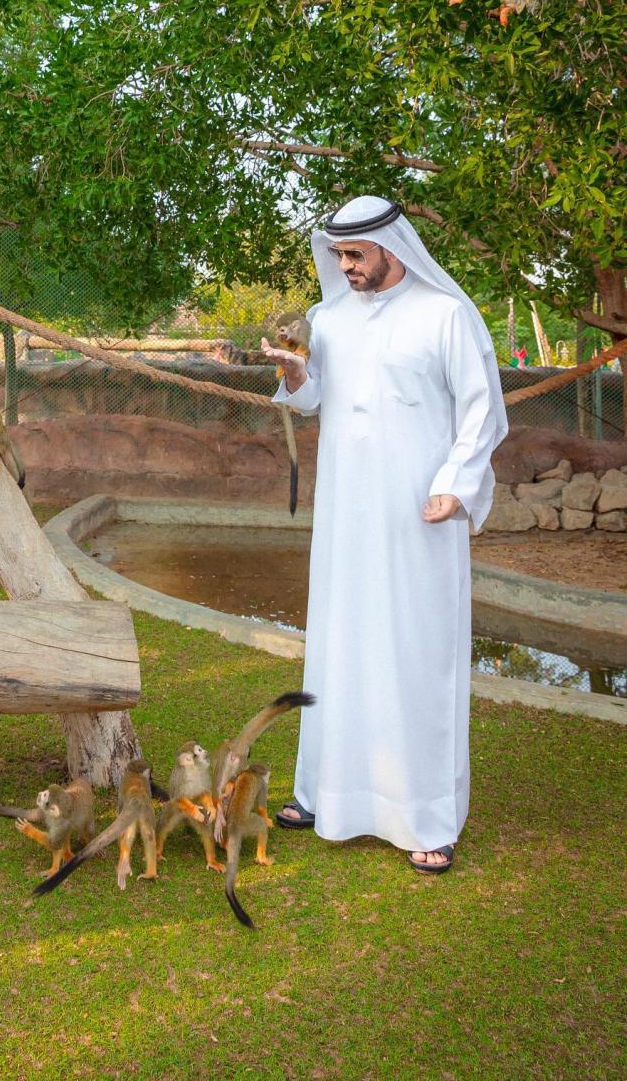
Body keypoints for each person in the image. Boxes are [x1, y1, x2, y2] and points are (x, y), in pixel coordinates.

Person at [261, 196, 508, 873]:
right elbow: (313, 397)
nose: (343, 268)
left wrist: (455, 483)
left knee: (413, 652)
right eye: (337, 255)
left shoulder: (445, 316)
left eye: (355, 256)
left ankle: (425, 816)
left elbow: (480, 409)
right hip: (345, 513)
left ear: (390, 248)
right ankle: (323, 794)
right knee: (340, 643)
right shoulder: (328, 318)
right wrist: (292, 373)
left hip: (417, 514)